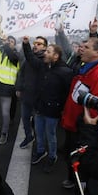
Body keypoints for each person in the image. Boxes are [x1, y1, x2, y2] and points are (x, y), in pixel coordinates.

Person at [60, 37, 98, 195]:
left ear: (97, 53)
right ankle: (72, 180)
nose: (82, 50)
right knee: (70, 153)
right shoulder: (86, 66)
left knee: (82, 163)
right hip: (73, 121)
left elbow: (95, 107)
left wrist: (86, 125)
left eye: (87, 47)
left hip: (84, 127)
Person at [22, 37, 73, 173]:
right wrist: (26, 44)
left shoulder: (65, 72)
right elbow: (31, 59)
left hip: (53, 111)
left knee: (50, 135)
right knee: (39, 132)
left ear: (55, 56)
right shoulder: (44, 66)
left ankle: (52, 156)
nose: (45, 53)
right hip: (40, 108)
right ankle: (40, 151)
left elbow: (67, 94)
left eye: (48, 51)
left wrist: (61, 109)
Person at [15, 36, 48, 149]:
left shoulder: (44, 59)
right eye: (35, 43)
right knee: (25, 118)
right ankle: (29, 136)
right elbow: (21, 73)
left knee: (38, 123)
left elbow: (32, 60)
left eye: (39, 44)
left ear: (45, 47)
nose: (36, 45)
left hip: (37, 97)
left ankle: (40, 146)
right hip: (26, 95)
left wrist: (26, 44)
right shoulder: (29, 58)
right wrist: (19, 88)